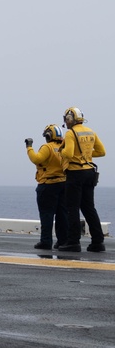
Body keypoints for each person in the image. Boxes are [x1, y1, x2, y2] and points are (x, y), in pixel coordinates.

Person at [58, 107, 106, 252]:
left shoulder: (70, 133)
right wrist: (86, 155)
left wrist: (61, 148)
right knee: (89, 208)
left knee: (72, 208)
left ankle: (73, 242)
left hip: (75, 173)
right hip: (89, 172)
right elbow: (101, 152)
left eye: (66, 120)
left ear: (70, 119)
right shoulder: (91, 131)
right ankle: (98, 242)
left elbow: (69, 154)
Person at [25, 125, 68, 250]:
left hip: (48, 185)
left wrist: (29, 147)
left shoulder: (47, 147)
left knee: (47, 214)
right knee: (62, 214)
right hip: (63, 184)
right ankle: (62, 241)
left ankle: (46, 241)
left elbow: (36, 159)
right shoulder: (64, 147)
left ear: (49, 136)